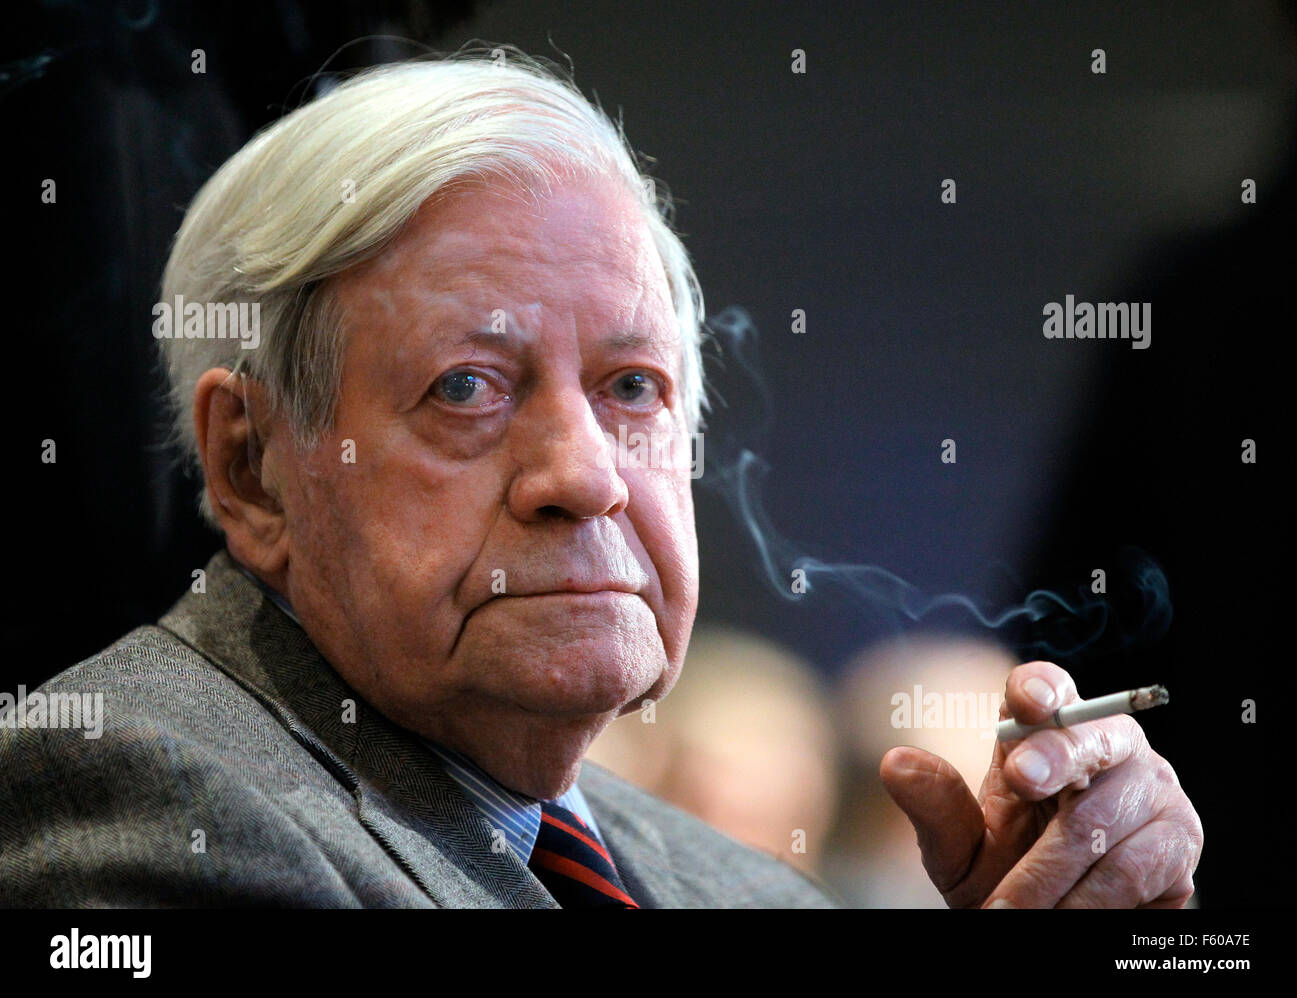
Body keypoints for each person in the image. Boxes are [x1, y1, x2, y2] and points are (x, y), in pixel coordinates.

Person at [0, 49, 1201, 908]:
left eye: (632, 387)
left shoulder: (733, 882)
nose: (585, 476)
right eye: (466, 386)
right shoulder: (138, 798)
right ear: (253, 469)